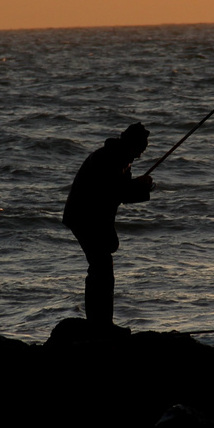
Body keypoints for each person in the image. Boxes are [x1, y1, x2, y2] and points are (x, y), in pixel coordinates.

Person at [63, 122, 154, 326]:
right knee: (101, 267)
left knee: (101, 267)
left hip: (93, 217)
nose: (139, 155)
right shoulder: (108, 158)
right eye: (139, 149)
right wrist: (138, 185)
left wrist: (143, 187)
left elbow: (122, 194)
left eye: (143, 151)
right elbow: (113, 190)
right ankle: (100, 324)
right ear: (130, 144)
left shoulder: (120, 159)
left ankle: (101, 323)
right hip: (83, 216)